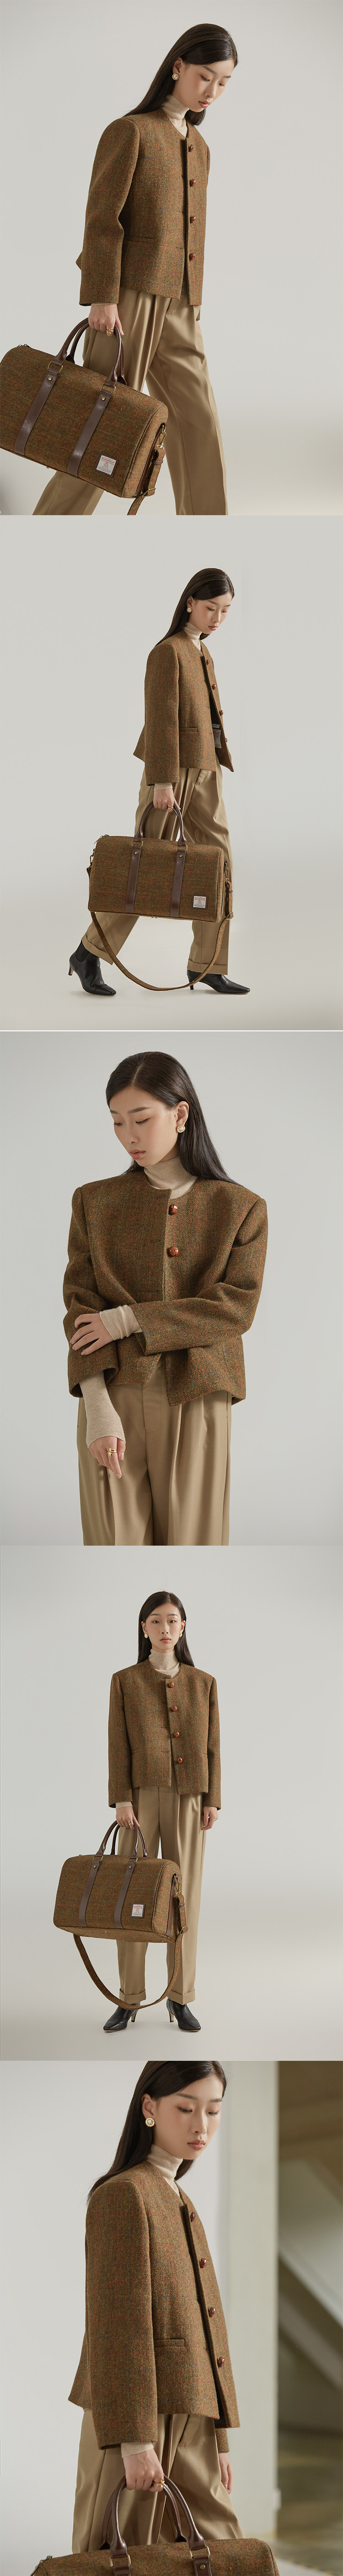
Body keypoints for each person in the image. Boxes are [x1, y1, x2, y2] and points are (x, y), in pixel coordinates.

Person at [63, 1048, 268, 1547]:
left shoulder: (241, 1208)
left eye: (141, 1119)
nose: (128, 1136)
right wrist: (98, 1408)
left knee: (194, 1545)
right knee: (115, 1544)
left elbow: (234, 1308)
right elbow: (81, 1311)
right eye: (117, 1122)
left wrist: (127, 1319)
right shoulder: (94, 1201)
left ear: (180, 1115)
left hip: (198, 1394)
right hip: (114, 1389)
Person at [34, 24, 238, 519]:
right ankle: (52, 526)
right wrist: (102, 296)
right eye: (205, 76)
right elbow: (102, 220)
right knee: (103, 420)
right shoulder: (131, 132)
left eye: (223, 82)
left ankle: (211, 529)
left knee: (200, 420)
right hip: (127, 298)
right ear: (178, 67)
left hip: (180, 303)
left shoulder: (200, 146)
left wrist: (191, 301)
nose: (211, 91)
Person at [70, 2058, 243, 2554]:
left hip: (193, 2417)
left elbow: (205, 2325)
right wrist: (135, 2441)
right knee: (122, 2556)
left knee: (224, 2553)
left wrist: (218, 2438)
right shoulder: (124, 2195)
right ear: (149, 2107)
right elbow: (117, 2327)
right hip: (139, 2416)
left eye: (213, 2110)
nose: (201, 2125)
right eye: (186, 2109)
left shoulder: (178, 2197)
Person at [70, 568, 249, 1002]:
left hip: (207, 770)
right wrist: (163, 781)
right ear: (190, 602)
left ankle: (208, 964)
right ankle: (89, 952)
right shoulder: (167, 652)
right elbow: (161, 720)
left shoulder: (202, 650)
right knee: (146, 864)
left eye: (226, 611)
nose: (217, 619)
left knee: (220, 865)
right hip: (172, 773)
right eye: (211, 608)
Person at [105, 1587, 221, 2034]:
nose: (165, 1628)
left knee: (182, 1900)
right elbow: (118, 1746)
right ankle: (130, 1997)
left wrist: (212, 1799)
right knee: (132, 1896)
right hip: (138, 1801)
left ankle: (180, 1996)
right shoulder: (125, 1681)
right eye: (156, 1620)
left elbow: (213, 1748)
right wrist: (122, 1798)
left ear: (183, 1626)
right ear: (144, 1628)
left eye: (172, 1620)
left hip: (190, 1797)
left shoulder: (204, 1683)